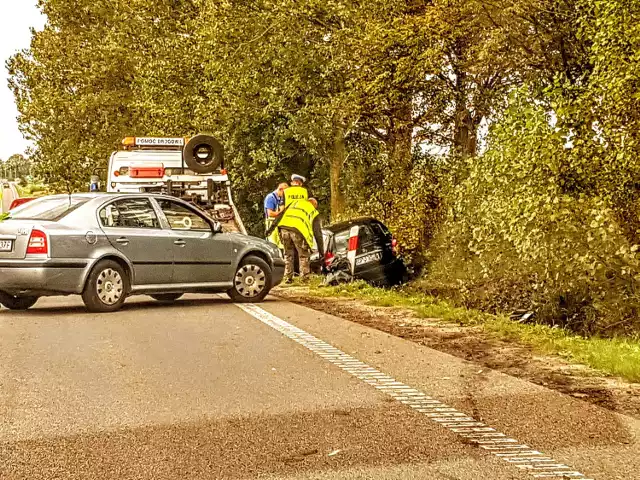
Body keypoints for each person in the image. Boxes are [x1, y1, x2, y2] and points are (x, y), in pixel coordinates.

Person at [278, 197, 324, 281]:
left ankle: (287, 277)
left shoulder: (295, 204)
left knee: (288, 254)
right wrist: (322, 252)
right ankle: (304, 277)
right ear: (314, 205)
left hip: (283, 228)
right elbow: (318, 234)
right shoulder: (312, 211)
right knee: (303, 255)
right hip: (297, 231)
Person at [264, 182, 288, 246]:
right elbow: (270, 213)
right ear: (280, 189)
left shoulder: (280, 198)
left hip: (278, 224)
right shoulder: (271, 197)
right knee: (272, 244)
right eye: (285, 192)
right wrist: (282, 213)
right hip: (271, 223)